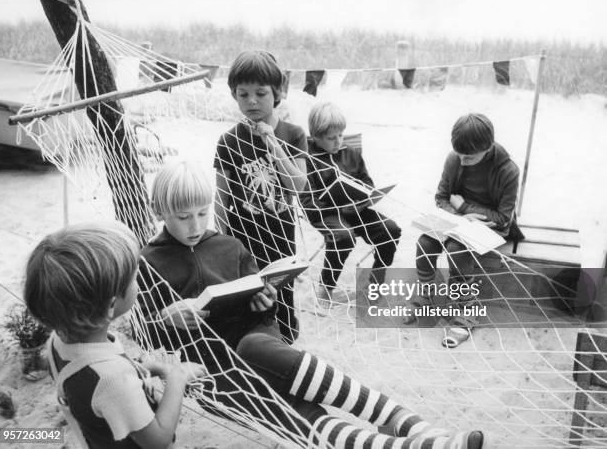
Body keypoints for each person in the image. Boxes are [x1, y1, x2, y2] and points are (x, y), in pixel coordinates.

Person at [138, 160, 487, 449]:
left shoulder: (229, 247)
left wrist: (265, 302)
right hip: (212, 374)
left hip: (258, 344)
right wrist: (164, 320)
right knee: (292, 414)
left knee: (255, 345)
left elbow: (264, 313)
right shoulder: (148, 262)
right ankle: (410, 445)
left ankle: (409, 425)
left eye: (203, 213)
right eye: (184, 217)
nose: (196, 225)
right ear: (160, 210)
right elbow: (143, 336)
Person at [23, 221, 205, 449]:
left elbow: (93, 384)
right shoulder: (112, 381)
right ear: (111, 305)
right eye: (133, 279)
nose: (137, 283)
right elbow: (158, 440)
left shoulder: (58, 340)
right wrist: (178, 377)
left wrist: (148, 369)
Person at [213, 50, 307, 344]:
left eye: (261, 93)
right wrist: (221, 240)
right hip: (242, 239)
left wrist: (272, 143)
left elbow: (298, 186)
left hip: (280, 235)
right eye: (243, 94)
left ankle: (285, 347)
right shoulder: (228, 141)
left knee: (282, 298)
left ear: (277, 93)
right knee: (249, 299)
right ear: (234, 95)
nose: (252, 101)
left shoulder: (293, 134)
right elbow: (221, 197)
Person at [412, 113, 523, 348]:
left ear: (488, 147)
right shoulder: (455, 158)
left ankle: (467, 310)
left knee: (455, 249)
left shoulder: (508, 170)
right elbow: (441, 198)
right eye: (459, 155)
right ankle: (426, 296)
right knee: (425, 243)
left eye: (469, 157)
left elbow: (503, 218)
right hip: (456, 219)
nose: (462, 161)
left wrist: (463, 207)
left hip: (489, 227)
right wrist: (457, 215)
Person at [301, 101, 401, 307]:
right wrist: (335, 205)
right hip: (324, 213)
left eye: (341, 135)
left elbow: (367, 182)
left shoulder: (350, 152)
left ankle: (375, 284)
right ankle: (325, 289)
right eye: (331, 138)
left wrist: (362, 200)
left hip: (356, 209)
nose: (338, 142)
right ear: (315, 137)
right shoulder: (306, 158)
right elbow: (307, 202)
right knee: (344, 236)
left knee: (391, 230)